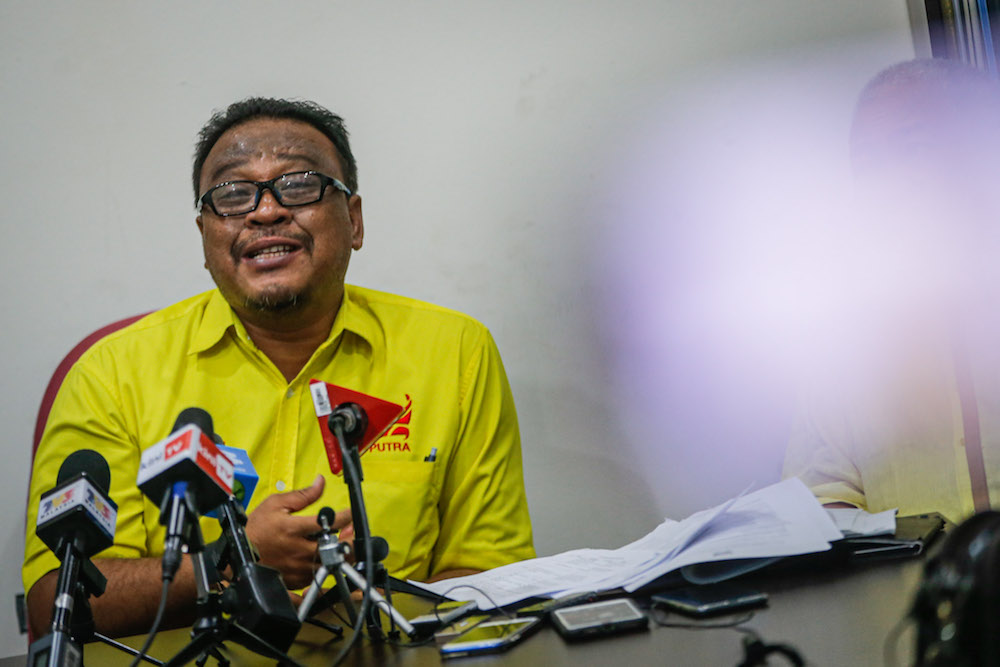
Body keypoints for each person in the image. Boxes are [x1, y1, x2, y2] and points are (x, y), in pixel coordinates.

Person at [23, 98, 535, 638]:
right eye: (233, 193)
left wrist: (356, 617)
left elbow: (491, 574)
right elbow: (56, 601)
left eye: (298, 184)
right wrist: (228, 560)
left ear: (354, 221)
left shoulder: (454, 351)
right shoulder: (111, 372)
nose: (265, 211)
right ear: (205, 235)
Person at [783, 59, 1000, 523]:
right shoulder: (841, 334)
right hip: (914, 592)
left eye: (912, 149)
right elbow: (821, 490)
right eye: (868, 163)